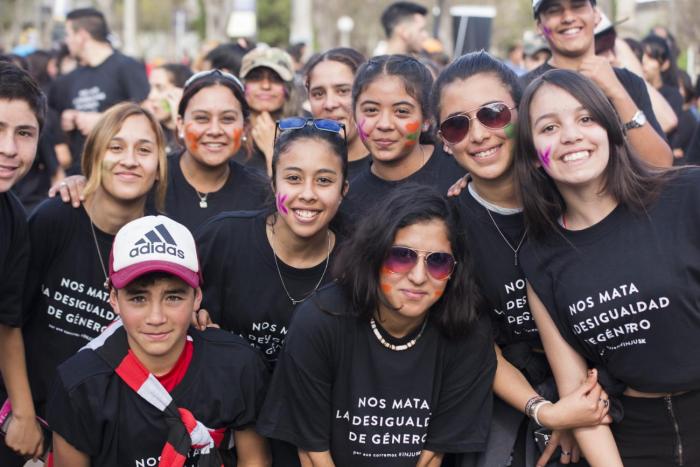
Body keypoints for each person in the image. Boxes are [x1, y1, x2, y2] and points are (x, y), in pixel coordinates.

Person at [433, 51, 610, 467]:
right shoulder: (446, 228)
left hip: (606, 391)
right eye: (457, 124)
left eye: (493, 114)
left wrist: (578, 407)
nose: (477, 135)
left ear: (523, 115)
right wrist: (548, 412)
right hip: (506, 401)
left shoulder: (576, 190)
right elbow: (476, 345)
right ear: (443, 140)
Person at [515, 69, 700, 466]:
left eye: (586, 119)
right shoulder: (538, 258)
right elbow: (577, 393)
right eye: (549, 127)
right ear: (532, 154)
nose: (571, 135)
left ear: (611, 130)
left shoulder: (687, 196)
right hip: (632, 438)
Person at [258, 184, 496, 466]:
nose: (419, 277)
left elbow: (433, 458)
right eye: (402, 256)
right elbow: (312, 453)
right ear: (375, 254)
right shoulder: (321, 321)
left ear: (453, 271)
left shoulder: (467, 332)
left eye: (438, 262)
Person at [1, 102, 167, 467]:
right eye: (116, 147)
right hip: (31, 419)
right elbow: (9, 322)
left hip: (109, 428)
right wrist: (24, 415)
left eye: (144, 150)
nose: (129, 160)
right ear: (93, 157)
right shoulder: (54, 218)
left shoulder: (160, 240)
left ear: (158, 168)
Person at [47, 215, 270, 466]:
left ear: (197, 297)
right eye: (138, 298)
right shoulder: (80, 385)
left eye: (173, 297)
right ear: (113, 298)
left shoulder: (237, 365)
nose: (156, 317)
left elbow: (255, 460)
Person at [196, 118, 348, 466]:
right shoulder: (224, 238)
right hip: (225, 437)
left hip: (316, 444)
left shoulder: (356, 263)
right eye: (293, 178)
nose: (307, 193)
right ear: (273, 180)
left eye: (324, 181)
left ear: (344, 190)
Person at [50, 69, 269, 233]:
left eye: (228, 119)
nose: (214, 130)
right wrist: (80, 183)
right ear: (181, 125)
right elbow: (103, 194)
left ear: (245, 128)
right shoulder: (148, 175)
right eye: (201, 118)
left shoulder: (260, 191)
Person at [523, 0, 672, 167]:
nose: (568, 17)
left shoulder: (627, 82)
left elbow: (661, 165)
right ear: (540, 26)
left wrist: (617, 92)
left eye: (577, 6)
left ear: (596, 15)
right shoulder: (523, 90)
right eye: (554, 11)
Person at [340, 54, 465, 225]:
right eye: (371, 110)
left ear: (427, 118)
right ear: (354, 115)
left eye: (401, 111)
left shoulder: (461, 178)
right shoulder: (348, 200)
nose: (384, 124)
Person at [0, 61, 47, 462]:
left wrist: (24, 412)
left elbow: (7, 322)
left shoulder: (14, 217)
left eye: (24, 134)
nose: (9, 149)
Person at [48, 7, 149, 175]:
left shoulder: (127, 67)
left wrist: (103, 120)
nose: (66, 41)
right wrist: (66, 120)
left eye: (68, 34)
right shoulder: (70, 78)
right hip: (80, 172)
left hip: (120, 170)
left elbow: (147, 111)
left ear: (81, 36)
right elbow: (51, 118)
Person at [305, 47, 370, 179]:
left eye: (343, 91)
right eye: (318, 94)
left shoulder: (390, 167)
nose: (329, 104)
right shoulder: (298, 165)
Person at [236, 46, 298, 174]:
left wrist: (271, 150)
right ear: (243, 85)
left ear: (288, 88)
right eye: (256, 77)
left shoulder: (306, 131)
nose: (265, 86)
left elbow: (287, 194)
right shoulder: (229, 132)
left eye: (275, 78)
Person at [143, 63, 193, 155]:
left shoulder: (196, 134)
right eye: (151, 88)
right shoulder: (149, 132)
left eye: (160, 88)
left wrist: (178, 120)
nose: (151, 96)